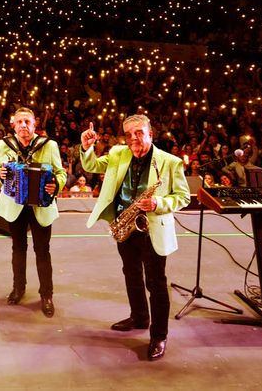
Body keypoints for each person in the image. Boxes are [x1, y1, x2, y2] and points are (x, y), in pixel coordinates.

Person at [79, 115, 190, 361]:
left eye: (139, 132)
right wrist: (87, 148)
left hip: (152, 228)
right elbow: (92, 166)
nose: (133, 138)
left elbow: (183, 196)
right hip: (124, 224)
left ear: (150, 133)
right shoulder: (119, 153)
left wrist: (158, 202)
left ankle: (159, 335)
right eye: (128, 134)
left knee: (156, 283)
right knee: (130, 273)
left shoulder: (169, 162)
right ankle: (139, 316)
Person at [0, 107, 67, 318]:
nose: (23, 125)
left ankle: (46, 295)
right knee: (18, 248)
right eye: (20, 122)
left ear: (35, 125)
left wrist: (56, 185)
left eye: (27, 122)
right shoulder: (5, 144)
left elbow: (61, 172)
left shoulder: (49, 145)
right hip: (15, 205)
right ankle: (18, 288)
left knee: (43, 251)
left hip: (41, 205)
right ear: (13, 125)